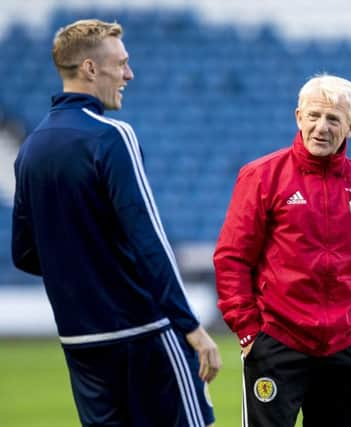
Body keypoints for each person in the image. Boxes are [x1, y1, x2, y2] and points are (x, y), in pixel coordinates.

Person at [11, 19, 221, 427]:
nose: (129, 74)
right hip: (144, 332)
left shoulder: (31, 149)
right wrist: (191, 327)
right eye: (121, 64)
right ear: (91, 68)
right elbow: (149, 240)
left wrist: (86, 276)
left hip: (81, 341)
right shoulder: (111, 136)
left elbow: (24, 252)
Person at [213, 74, 351, 427]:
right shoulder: (261, 176)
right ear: (298, 117)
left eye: (333, 119)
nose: (321, 128)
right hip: (278, 342)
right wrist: (249, 330)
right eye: (313, 116)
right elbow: (232, 258)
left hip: (348, 346)